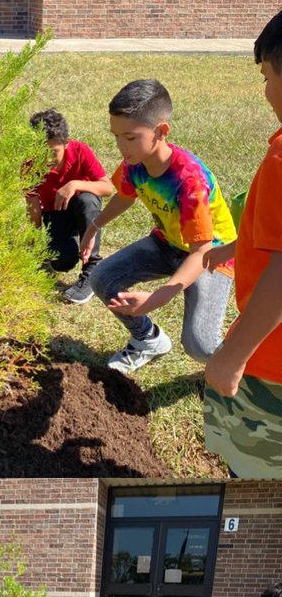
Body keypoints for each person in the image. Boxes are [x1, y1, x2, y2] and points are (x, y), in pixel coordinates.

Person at [78, 79, 235, 376]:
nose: (121, 146)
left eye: (130, 137)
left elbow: (201, 252)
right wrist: (94, 226)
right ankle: (147, 340)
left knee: (200, 345)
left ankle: (238, 363)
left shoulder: (189, 181)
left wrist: (157, 297)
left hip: (212, 256)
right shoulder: (134, 163)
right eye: (116, 136)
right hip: (167, 243)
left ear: (161, 131)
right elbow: (125, 195)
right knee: (102, 278)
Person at [202, 10, 282, 478]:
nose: (265, 90)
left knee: (254, 479)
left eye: (267, 76)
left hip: (271, 364)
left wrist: (233, 356)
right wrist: (236, 248)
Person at [26, 108, 115, 301]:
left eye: (53, 152)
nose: (47, 159)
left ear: (66, 143)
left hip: (83, 205)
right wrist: (34, 245)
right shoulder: (29, 163)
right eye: (41, 152)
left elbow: (107, 188)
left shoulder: (80, 150)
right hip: (56, 212)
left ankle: (92, 270)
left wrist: (74, 184)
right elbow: (33, 208)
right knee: (61, 262)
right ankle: (74, 236)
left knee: (88, 200)